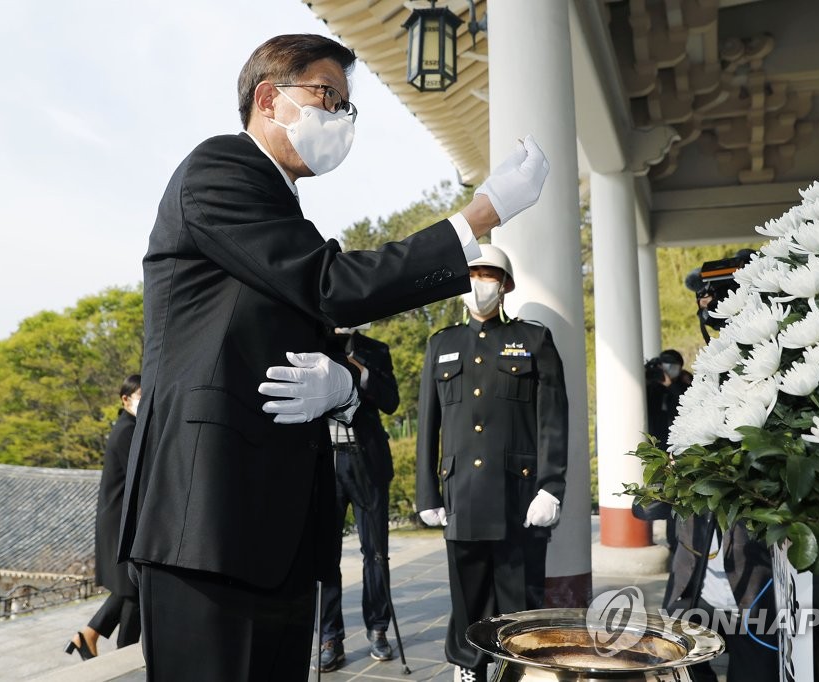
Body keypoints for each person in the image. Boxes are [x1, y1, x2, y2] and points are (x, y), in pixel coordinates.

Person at [116, 34, 549, 681]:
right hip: (207, 519)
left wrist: (347, 385)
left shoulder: (281, 209)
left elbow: (322, 328)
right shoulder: (220, 170)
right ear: (270, 97)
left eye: (349, 107)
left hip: (274, 533)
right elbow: (333, 286)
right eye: (329, 97)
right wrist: (477, 217)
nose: (342, 118)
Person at [415, 245, 568, 682]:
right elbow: (429, 424)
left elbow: (553, 421)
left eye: (489, 275)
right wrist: (427, 492)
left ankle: (517, 670)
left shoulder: (534, 340)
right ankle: (469, 667)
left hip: (517, 497)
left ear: (505, 286)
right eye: (473, 275)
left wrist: (550, 486)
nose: (480, 283)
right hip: (460, 494)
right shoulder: (440, 344)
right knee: (466, 593)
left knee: (518, 595)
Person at [318, 325, 399, 672]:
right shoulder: (313, 345)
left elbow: (391, 401)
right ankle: (329, 637)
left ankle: (378, 629)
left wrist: (361, 370)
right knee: (324, 556)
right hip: (325, 463)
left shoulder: (375, 349)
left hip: (367, 460)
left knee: (376, 553)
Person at [66, 375, 142, 660]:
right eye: (141, 396)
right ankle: (124, 654)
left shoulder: (130, 427)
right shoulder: (127, 431)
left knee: (129, 588)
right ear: (125, 399)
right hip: (119, 520)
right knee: (132, 588)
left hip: (121, 517)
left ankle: (90, 637)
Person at [663, 514, 779, 682]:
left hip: (753, 607)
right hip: (702, 601)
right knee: (672, 647)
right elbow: (644, 510)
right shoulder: (687, 498)